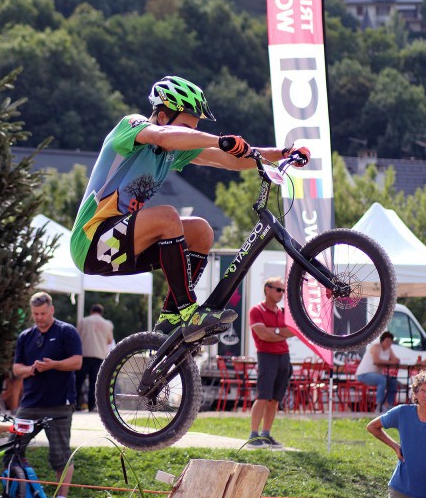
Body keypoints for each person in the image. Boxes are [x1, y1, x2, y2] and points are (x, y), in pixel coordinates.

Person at [70, 75, 310, 344]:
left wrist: (284, 152)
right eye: (188, 128)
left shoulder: (175, 151)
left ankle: (171, 317)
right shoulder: (131, 126)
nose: (192, 135)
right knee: (168, 217)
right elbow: (163, 136)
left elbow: (231, 162)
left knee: (200, 231)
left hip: (123, 243)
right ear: (162, 116)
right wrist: (217, 140)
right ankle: (188, 311)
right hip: (91, 241)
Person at [13, 292, 82, 498]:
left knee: (59, 454)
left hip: (59, 404)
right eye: (35, 314)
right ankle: (15, 494)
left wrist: (53, 365)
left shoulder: (66, 331)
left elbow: (77, 362)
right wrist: (31, 369)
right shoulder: (25, 336)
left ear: (52, 309)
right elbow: (16, 369)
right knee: (12, 448)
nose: (39, 317)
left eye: (43, 313)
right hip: (30, 404)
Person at [367, 370, 426, 498]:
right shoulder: (402, 412)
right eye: (423, 390)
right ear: (415, 392)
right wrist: (394, 445)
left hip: (423, 491)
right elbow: (372, 426)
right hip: (400, 485)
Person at [247, 277, 295, 448]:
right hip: (266, 356)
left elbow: (292, 331)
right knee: (263, 396)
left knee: (275, 399)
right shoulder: (256, 310)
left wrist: (274, 331)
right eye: (278, 290)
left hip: (284, 356)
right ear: (267, 289)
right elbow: (263, 335)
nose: (282, 294)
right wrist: (280, 333)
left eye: (283, 290)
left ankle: (266, 434)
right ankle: (254, 435)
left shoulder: (282, 311)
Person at [76, 303, 114, 412]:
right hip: (99, 356)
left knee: (79, 381)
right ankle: (91, 406)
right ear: (101, 313)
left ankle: (77, 404)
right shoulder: (107, 324)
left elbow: (77, 336)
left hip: (84, 354)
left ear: (91, 311)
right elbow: (109, 340)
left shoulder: (83, 321)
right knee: (94, 383)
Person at [356, 331, 400, 413]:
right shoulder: (376, 347)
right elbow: (376, 360)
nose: (389, 343)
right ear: (382, 341)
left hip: (376, 375)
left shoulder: (389, 349)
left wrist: (392, 361)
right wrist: (391, 362)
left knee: (393, 381)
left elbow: (396, 360)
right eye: (387, 341)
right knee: (382, 380)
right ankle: (379, 405)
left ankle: (389, 405)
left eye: (390, 341)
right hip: (363, 374)